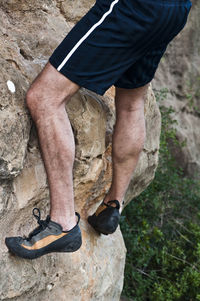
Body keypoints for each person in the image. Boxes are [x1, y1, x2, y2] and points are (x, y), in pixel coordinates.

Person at [5, 0, 192, 259]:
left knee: (44, 98)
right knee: (132, 102)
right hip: (174, 9)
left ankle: (62, 223)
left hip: (135, 6)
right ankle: (113, 205)